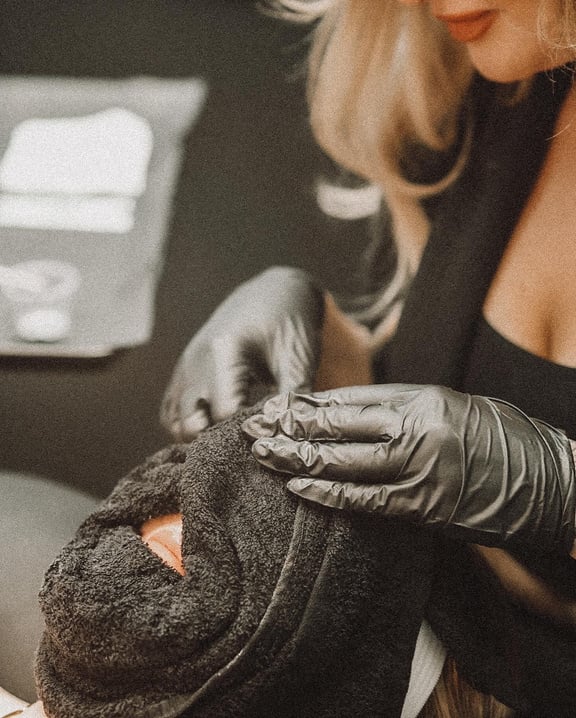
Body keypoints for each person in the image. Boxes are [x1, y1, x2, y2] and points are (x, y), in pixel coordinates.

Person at [161, 1, 576, 715]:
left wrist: (565, 496)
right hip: (423, 641)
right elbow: (450, 410)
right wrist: (326, 350)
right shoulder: (513, 77)